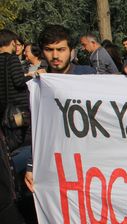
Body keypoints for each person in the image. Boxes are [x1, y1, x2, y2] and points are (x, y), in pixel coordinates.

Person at [24, 24, 96, 193]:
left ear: (71, 50)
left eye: (61, 49)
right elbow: (36, 129)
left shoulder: (88, 75)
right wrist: (30, 165)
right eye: (49, 50)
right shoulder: (38, 85)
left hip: (89, 161)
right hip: (55, 163)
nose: (55, 55)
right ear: (42, 52)